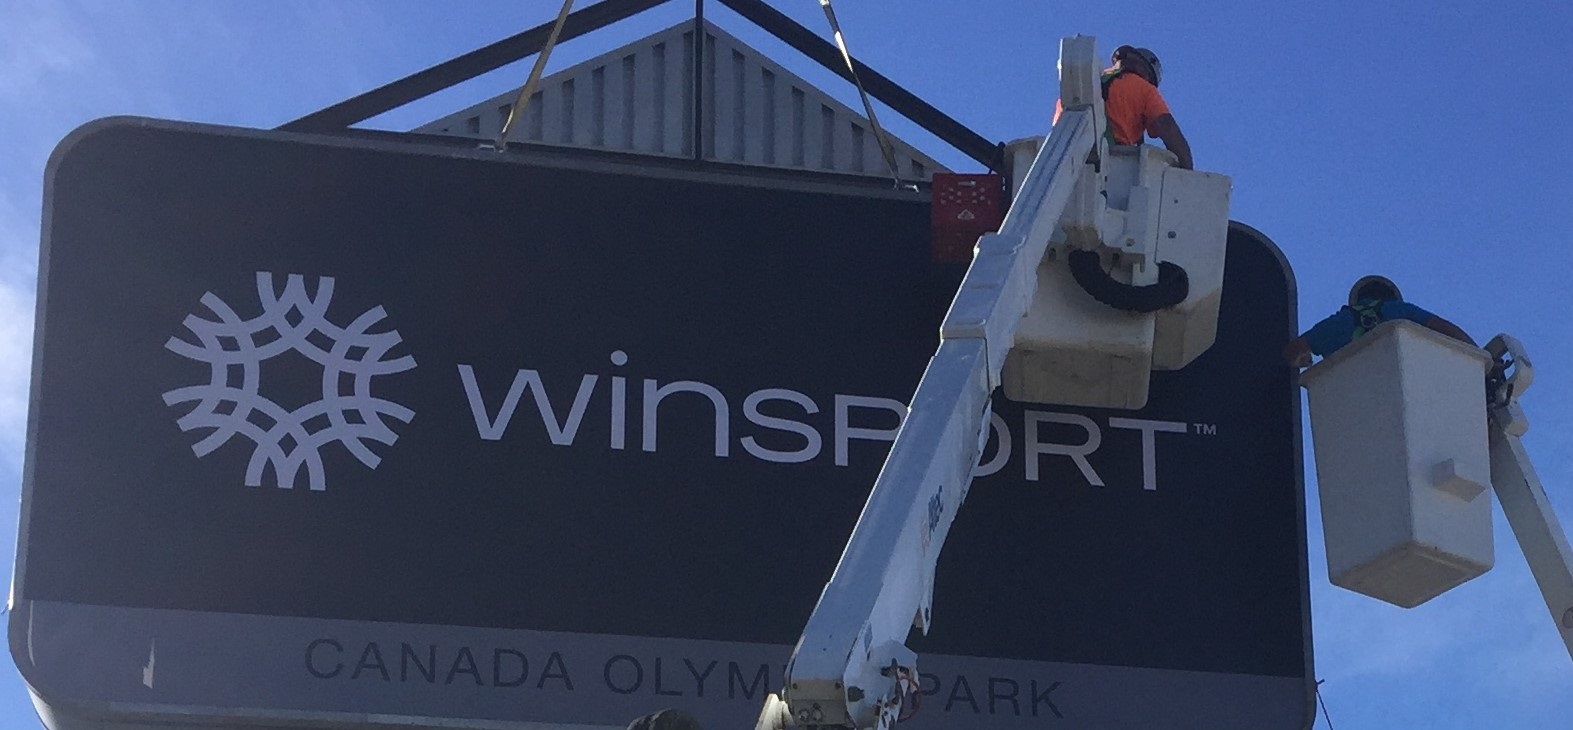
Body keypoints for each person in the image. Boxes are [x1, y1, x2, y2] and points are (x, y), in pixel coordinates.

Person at [1283, 275, 1476, 368]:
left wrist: (1304, 361)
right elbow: (1445, 328)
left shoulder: (1338, 323)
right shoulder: (1402, 311)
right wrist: (1482, 358)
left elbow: (1292, 351)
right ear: (1391, 297)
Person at [1053, 45, 1194, 169]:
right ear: (1146, 70)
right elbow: (1167, 127)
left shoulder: (1080, 86)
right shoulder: (1143, 88)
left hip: (1062, 156)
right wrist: (1186, 173)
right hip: (1112, 163)